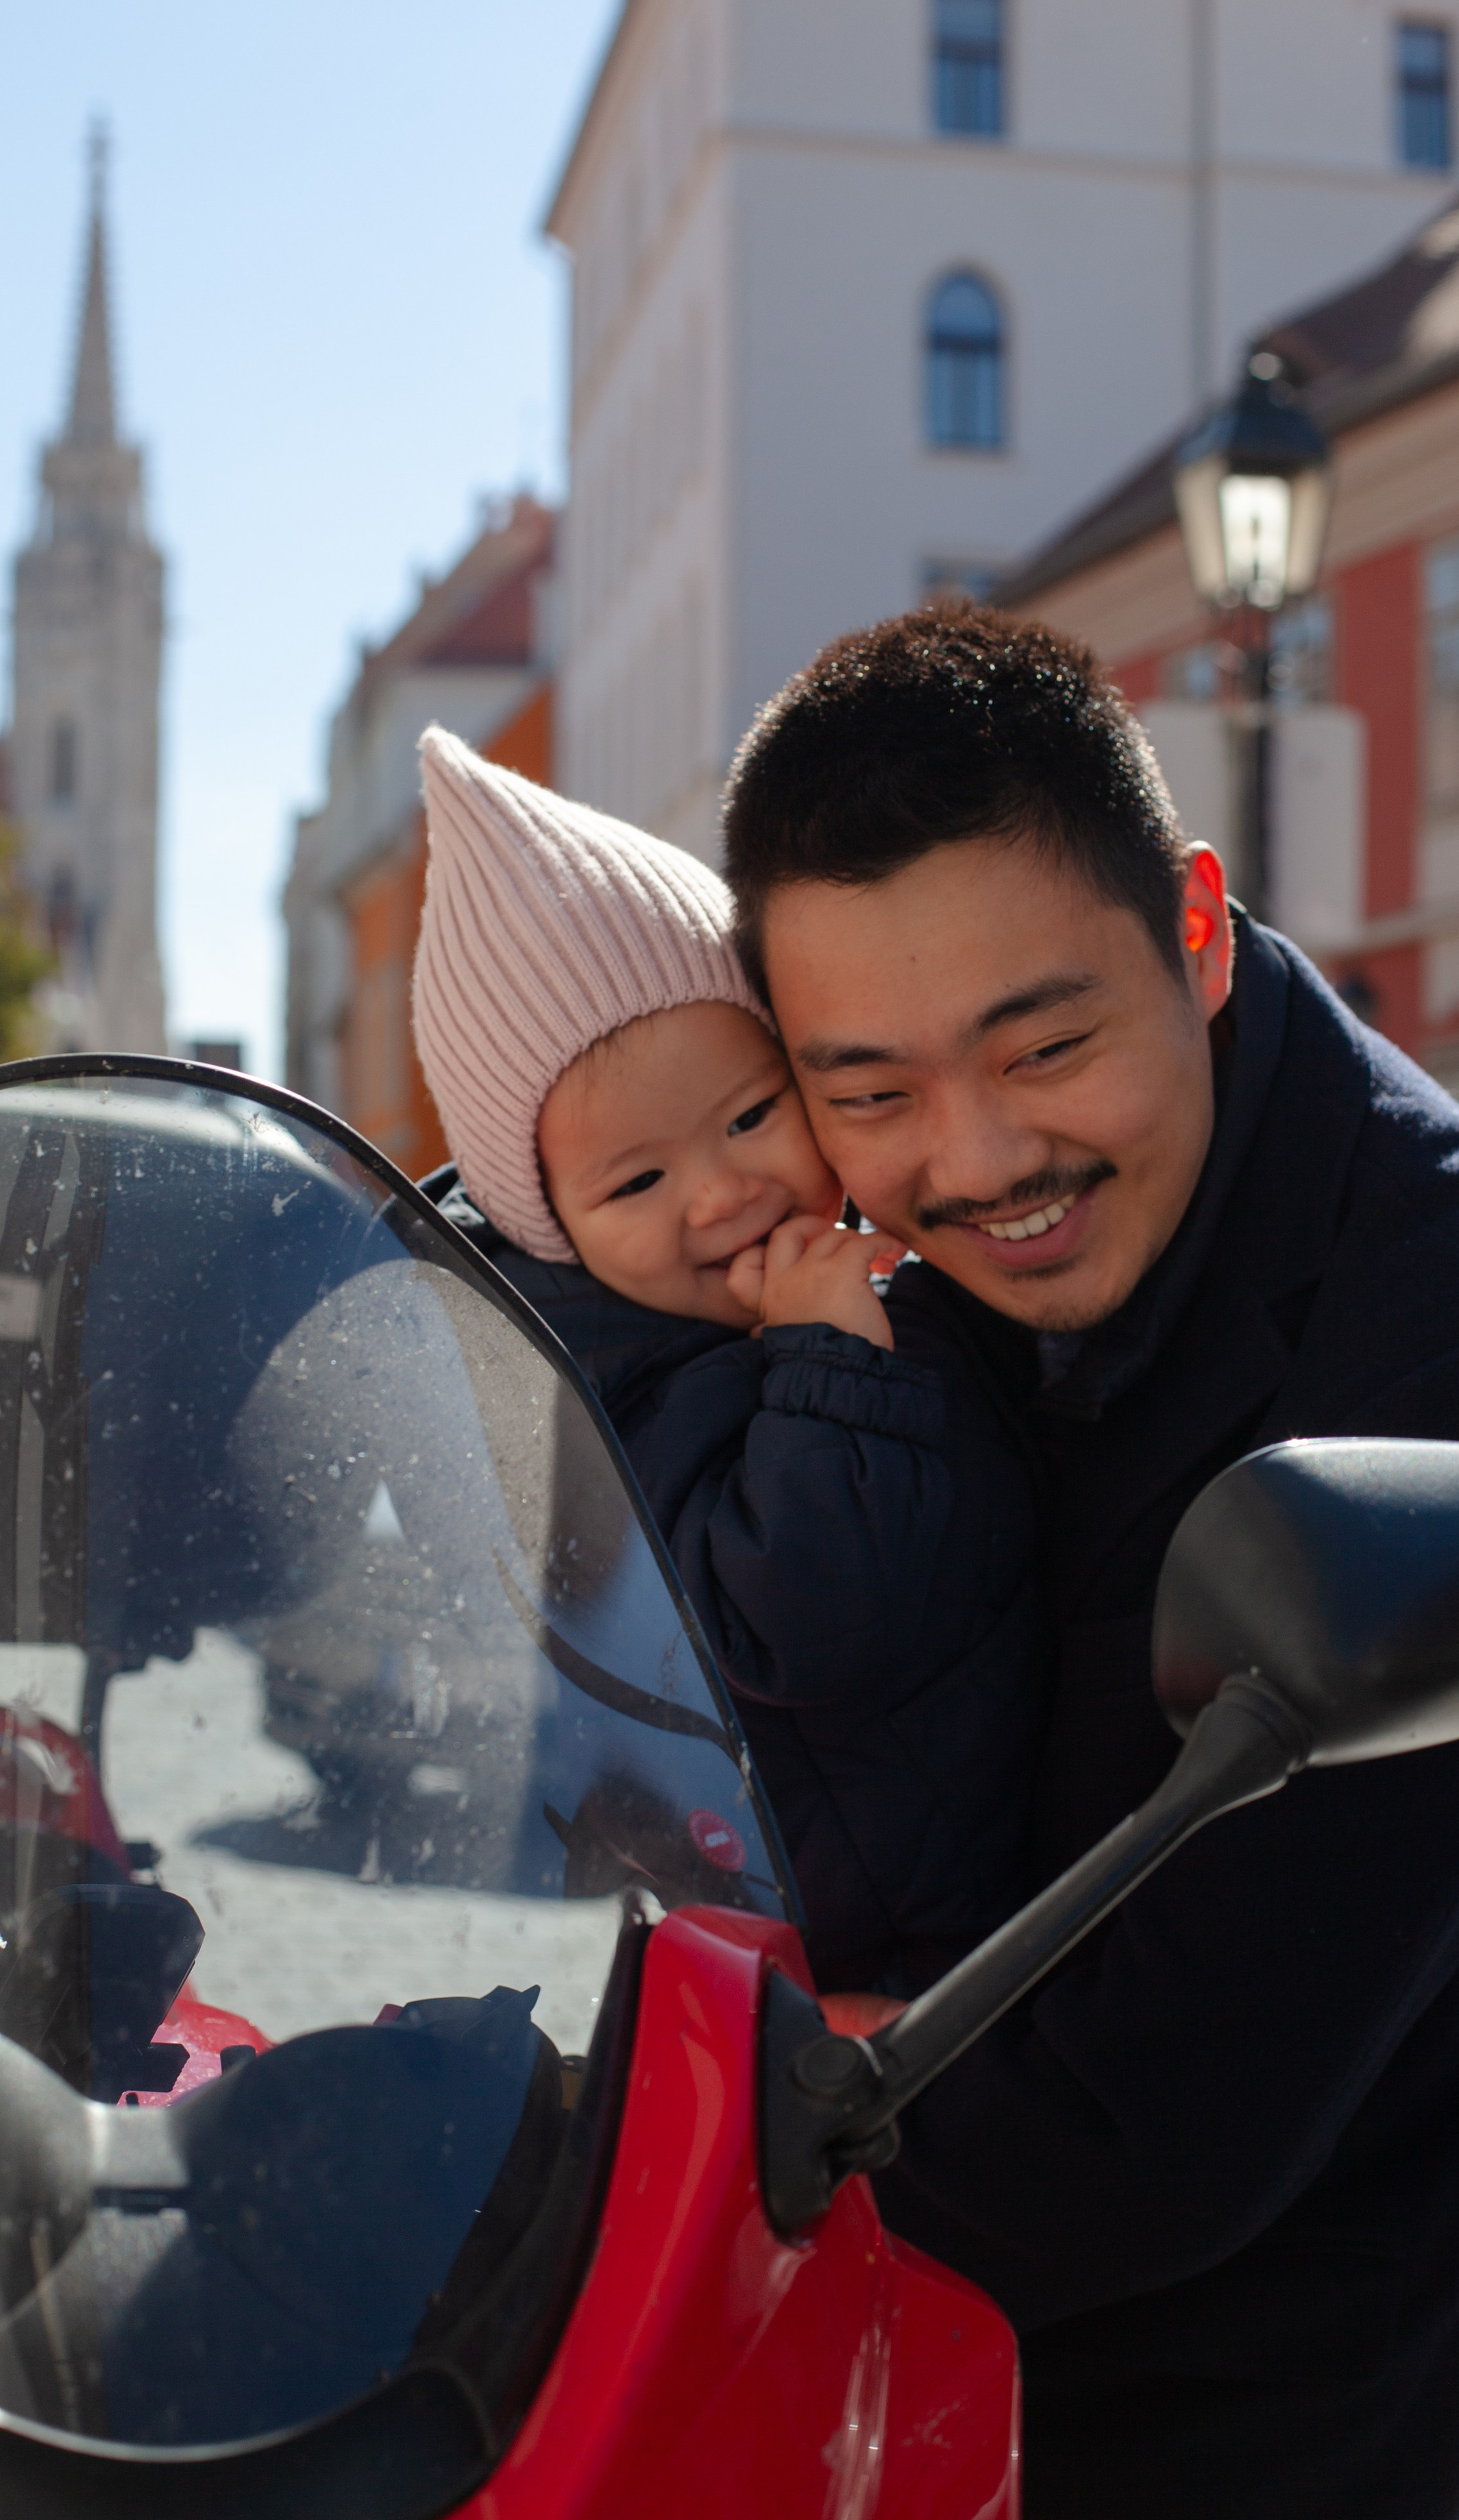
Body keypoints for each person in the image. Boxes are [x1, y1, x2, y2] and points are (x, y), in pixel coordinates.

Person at [720, 605, 1459, 2520]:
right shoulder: (863, 1263)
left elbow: (1157, 2115)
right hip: (886, 2379)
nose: (977, 1161)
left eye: (1046, 1044)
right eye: (873, 1091)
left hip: (1251, 2429)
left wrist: (659, 2194)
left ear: (1201, 933)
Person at [409, 726, 1039, 2001]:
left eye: (751, 1115)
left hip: (978, 1890)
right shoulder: (612, 1392)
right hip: (855, 1953)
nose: (720, 1194)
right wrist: (824, 1360)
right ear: (553, 1227)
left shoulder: (829, 1277)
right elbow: (791, 1614)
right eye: (637, 1180)